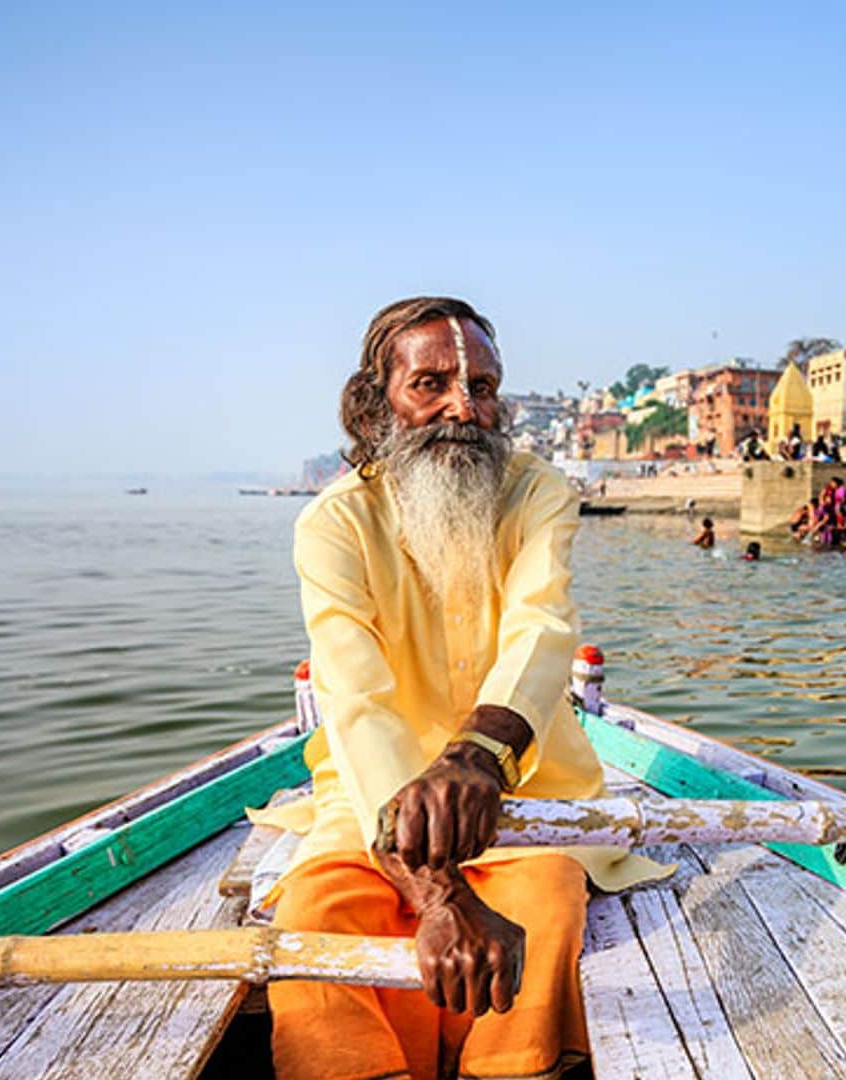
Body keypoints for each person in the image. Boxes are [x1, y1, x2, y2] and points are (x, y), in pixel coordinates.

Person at [271, 297, 666, 1080]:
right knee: (314, 919)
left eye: (482, 387)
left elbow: (542, 628)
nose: (464, 408)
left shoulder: (537, 492)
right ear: (373, 402)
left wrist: (479, 759)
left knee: (547, 902)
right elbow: (354, 700)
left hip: (524, 790)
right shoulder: (334, 526)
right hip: (366, 797)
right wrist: (442, 897)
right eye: (432, 383)